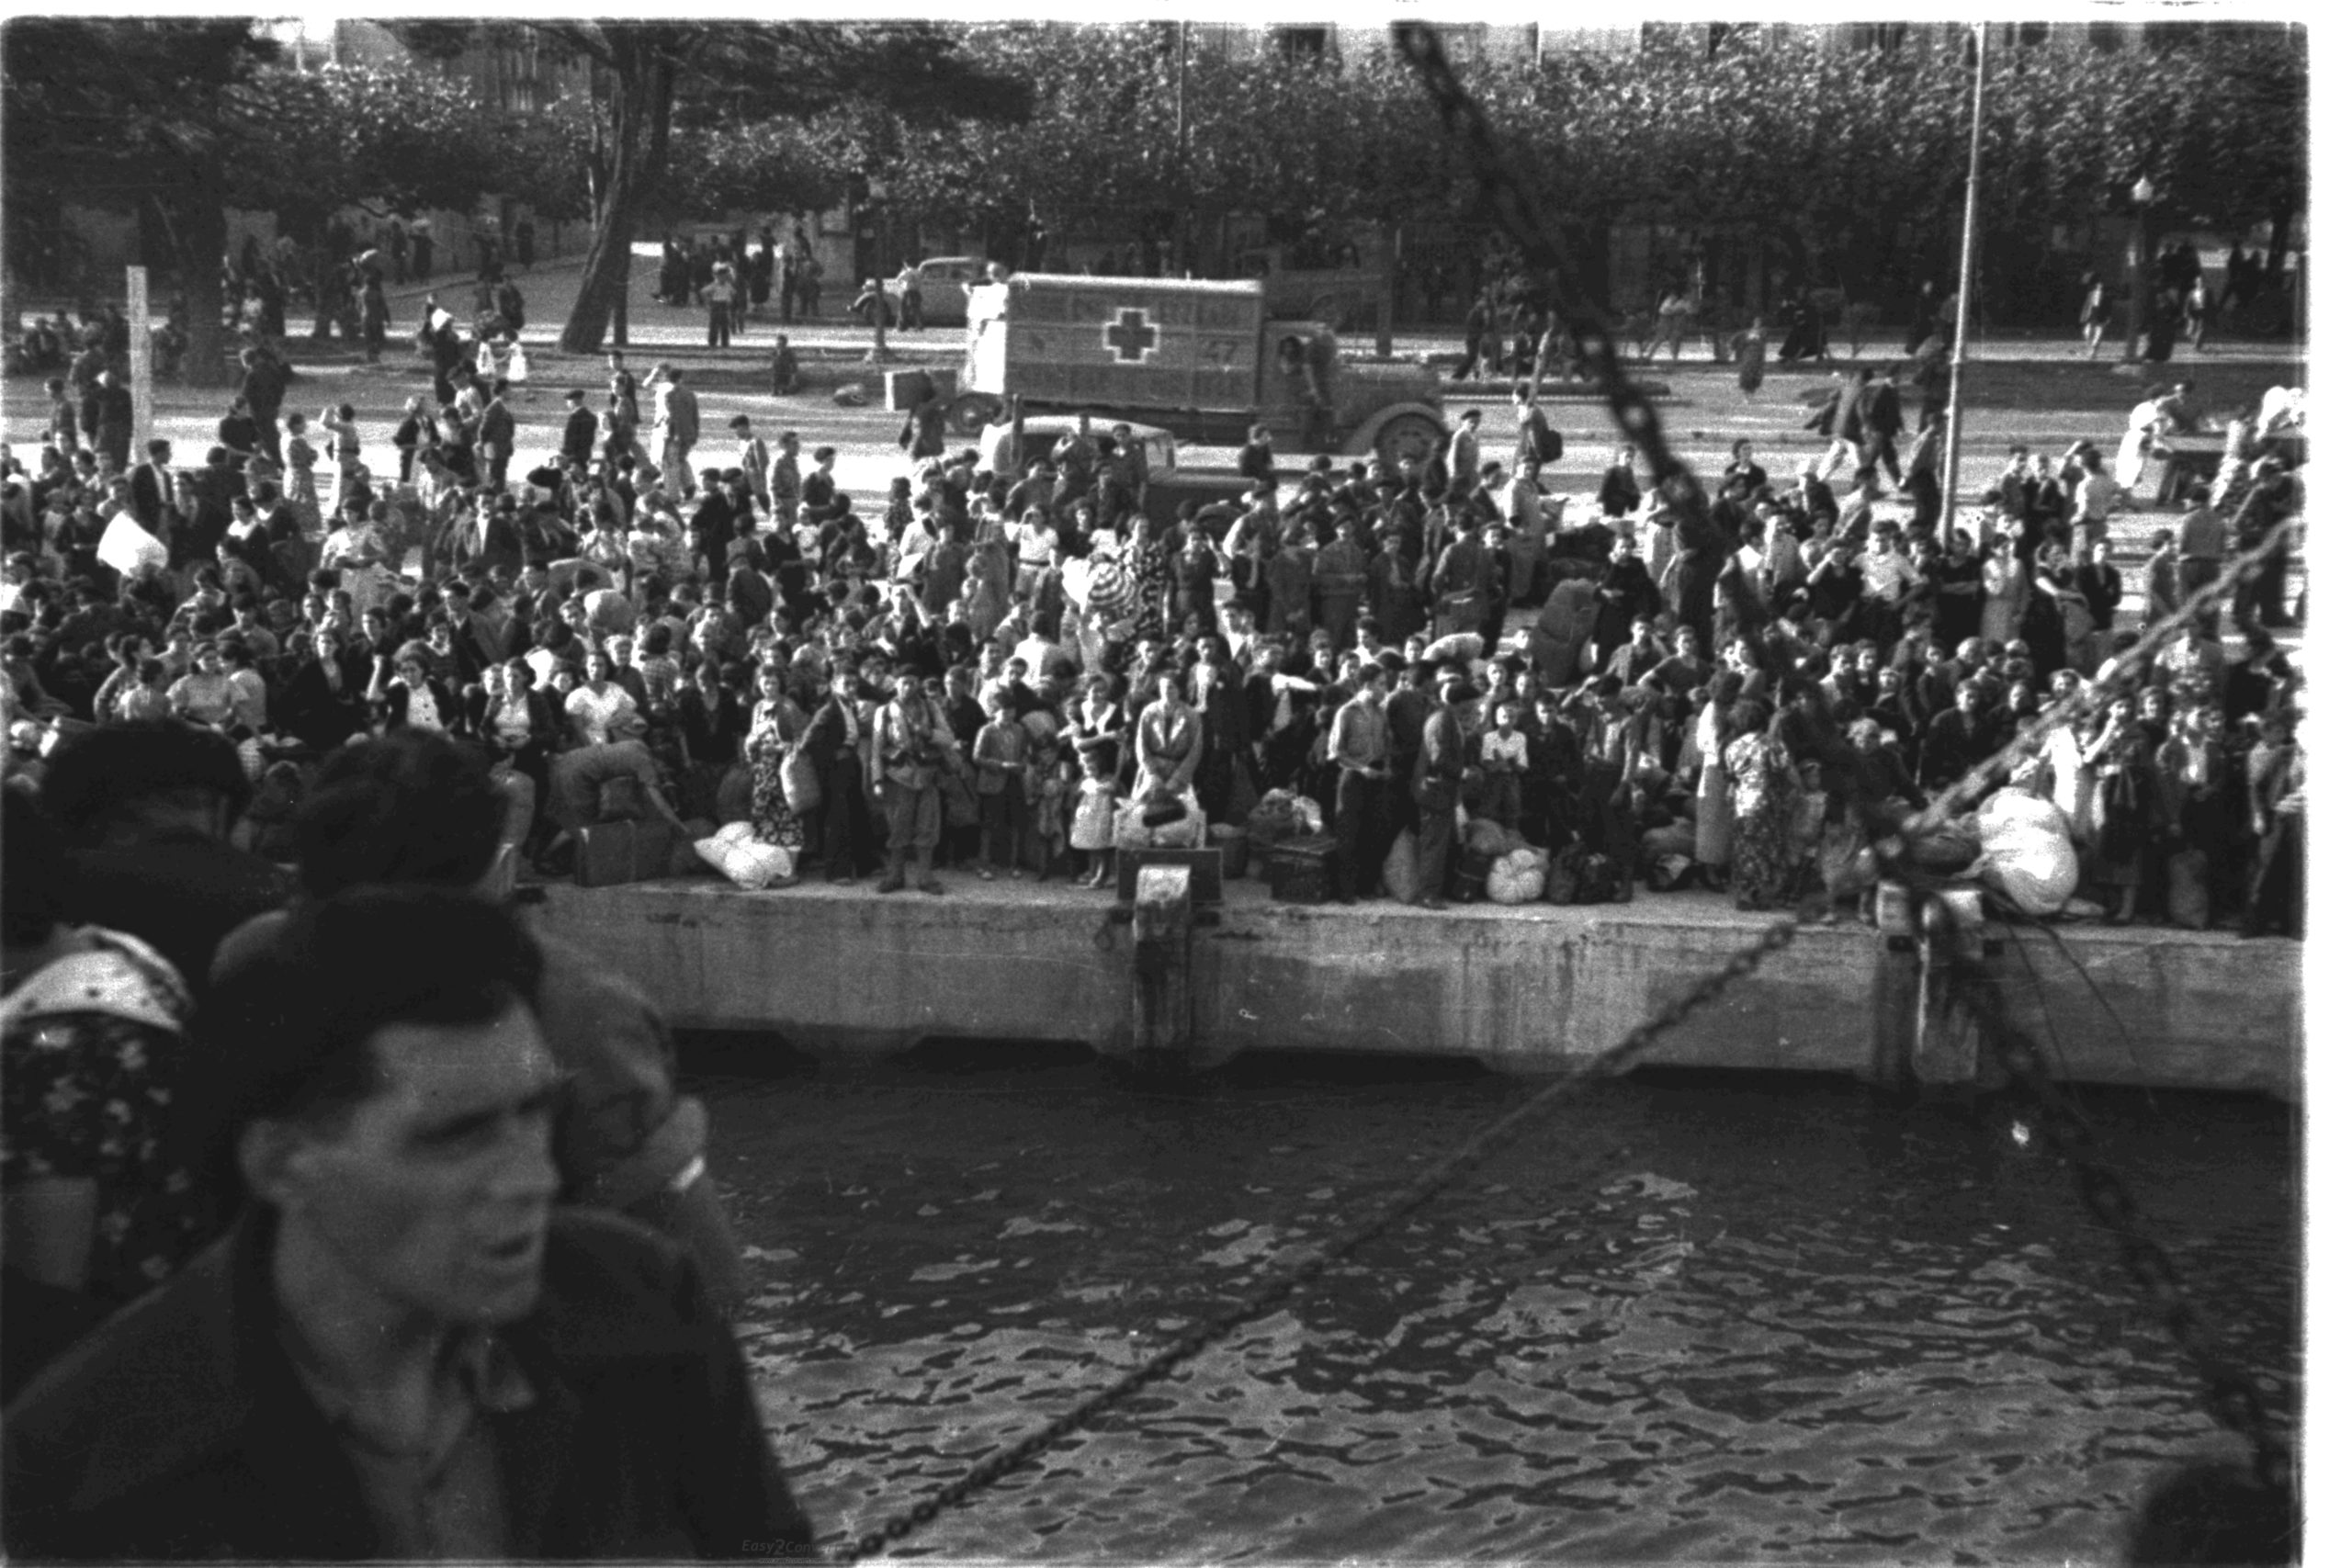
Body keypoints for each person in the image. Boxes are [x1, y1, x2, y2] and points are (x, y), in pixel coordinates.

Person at [3, 886, 812, 1559]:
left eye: (536, 1115)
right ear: (281, 1161)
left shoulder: (645, 1302)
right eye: (455, 1136)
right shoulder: (86, 1458)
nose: (532, 1177)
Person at [868, 665, 955, 895]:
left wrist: (928, 733)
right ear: (896, 684)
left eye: (913, 682)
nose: (908, 687)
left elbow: (948, 738)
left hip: (927, 775)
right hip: (898, 776)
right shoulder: (885, 711)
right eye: (904, 682)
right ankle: (895, 876)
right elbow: (877, 749)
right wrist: (877, 780)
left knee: (928, 827)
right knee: (898, 827)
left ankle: (925, 878)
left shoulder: (931, 707)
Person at [1409, 679, 1477, 908]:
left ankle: (1433, 891)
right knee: (1434, 845)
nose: (1475, 706)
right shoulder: (1442, 721)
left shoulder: (1448, 719)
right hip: (1434, 791)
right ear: (1463, 702)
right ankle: (1427, 895)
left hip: (1441, 792)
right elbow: (1439, 759)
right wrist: (1464, 772)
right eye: (1472, 701)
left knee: (1439, 843)